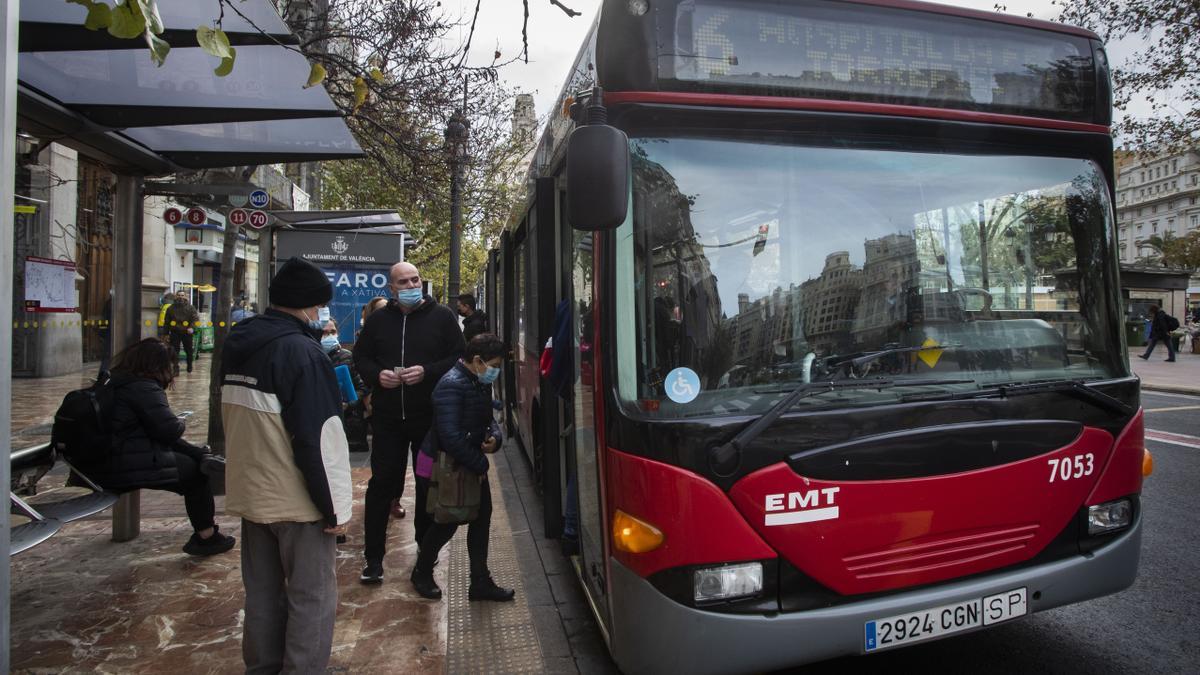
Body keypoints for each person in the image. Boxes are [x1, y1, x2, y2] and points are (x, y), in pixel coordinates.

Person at [220, 256, 353, 674]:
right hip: (297, 500)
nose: (322, 314)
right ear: (307, 305)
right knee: (311, 596)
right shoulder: (301, 352)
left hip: (251, 491)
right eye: (320, 306)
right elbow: (319, 439)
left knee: (261, 593)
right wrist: (333, 508)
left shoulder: (240, 343)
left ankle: (262, 668)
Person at [353, 262, 464, 585]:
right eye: (404, 281)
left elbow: (458, 357)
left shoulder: (442, 317)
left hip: (428, 420)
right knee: (381, 486)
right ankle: (373, 559)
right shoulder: (378, 321)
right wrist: (378, 375)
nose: (412, 284)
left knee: (428, 484)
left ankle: (424, 559)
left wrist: (427, 372)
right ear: (392, 288)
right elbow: (362, 358)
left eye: (415, 279)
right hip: (387, 419)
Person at [74, 337, 233, 556]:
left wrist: (198, 452)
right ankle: (206, 536)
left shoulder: (114, 380)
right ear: (158, 365)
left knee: (194, 460)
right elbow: (169, 431)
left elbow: (159, 434)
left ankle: (205, 533)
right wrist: (181, 422)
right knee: (194, 474)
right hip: (117, 463)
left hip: (100, 457)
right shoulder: (143, 387)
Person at [411, 333, 514, 602]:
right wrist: (480, 463)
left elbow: (487, 418)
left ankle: (480, 581)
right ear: (477, 360)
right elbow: (450, 436)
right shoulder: (451, 384)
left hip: (464, 462)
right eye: (493, 364)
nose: (496, 371)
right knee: (448, 521)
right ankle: (422, 572)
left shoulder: (477, 380)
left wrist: (495, 438)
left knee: (481, 519)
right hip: (443, 464)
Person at [322, 319, 369, 452]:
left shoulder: (347, 357)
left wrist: (349, 403)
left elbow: (362, 387)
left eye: (333, 332)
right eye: (325, 333)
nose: (329, 336)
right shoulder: (311, 355)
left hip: (347, 422)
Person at [165, 291, 200, 374]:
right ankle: (176, 368)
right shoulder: (170, 308)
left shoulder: (191, 308)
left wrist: (192, 327)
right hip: (175, 332)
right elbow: (166, 322)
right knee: (174, 351)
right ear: (176, 296)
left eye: (182, 295)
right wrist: (165, 333)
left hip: (187, 332)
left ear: (185, 296)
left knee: (188, 350)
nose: (181, 297)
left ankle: (189, 365)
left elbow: (195, 319)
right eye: (179, 295)